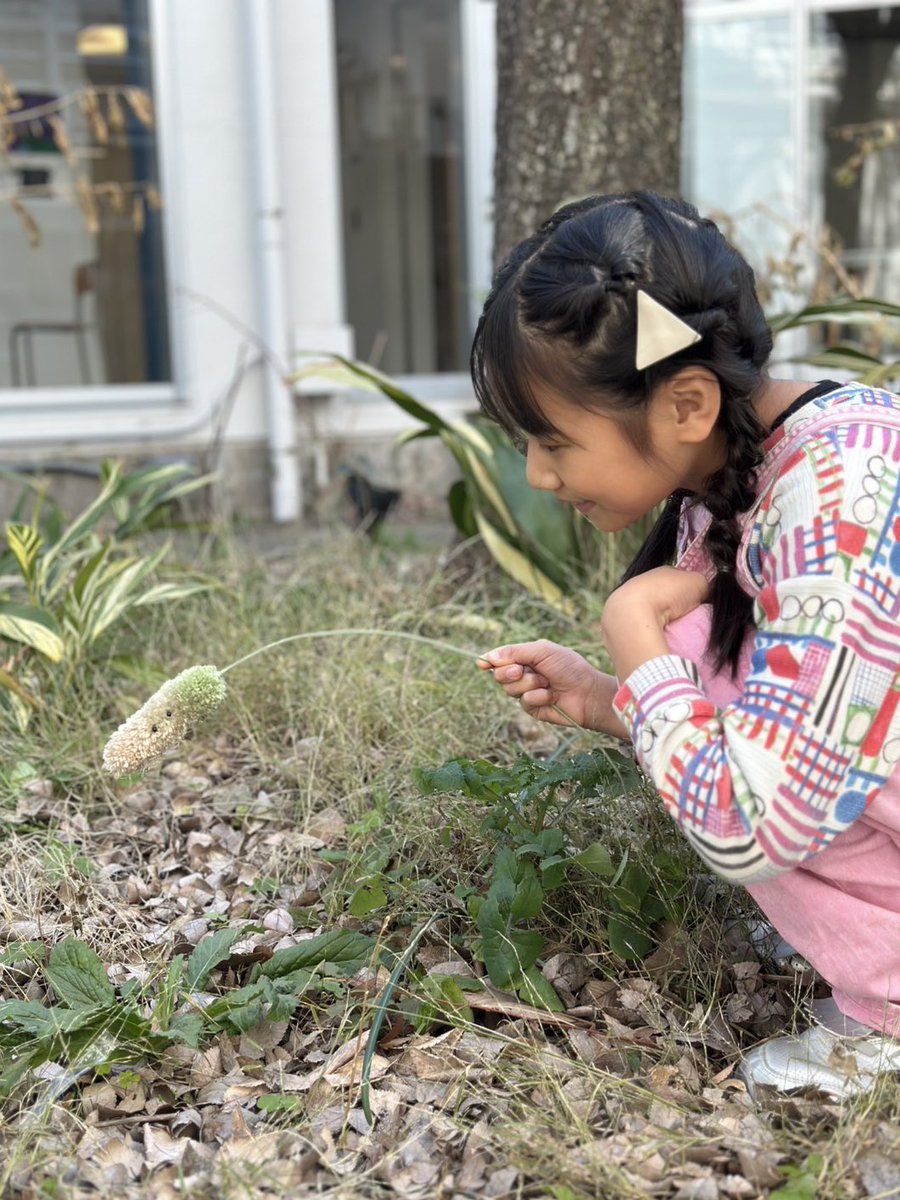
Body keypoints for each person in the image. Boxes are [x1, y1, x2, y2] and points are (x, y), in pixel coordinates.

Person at [474, 190, 900, 1099]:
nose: (540, 476)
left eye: (552, 440)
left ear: (688, 403)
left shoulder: (839, 505)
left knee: (693, 639)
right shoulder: (768, 457)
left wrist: (634, 632)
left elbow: (749, 826)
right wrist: (605, 695)